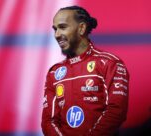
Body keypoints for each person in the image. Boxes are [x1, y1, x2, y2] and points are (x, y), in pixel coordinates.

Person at [41, 5, 129, 136]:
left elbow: (116, 111)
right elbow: (48, 121)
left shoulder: (110, 63)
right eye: (55, 29)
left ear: (81, 28)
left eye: (63, 27)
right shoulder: (55, 72)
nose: (57, 35)